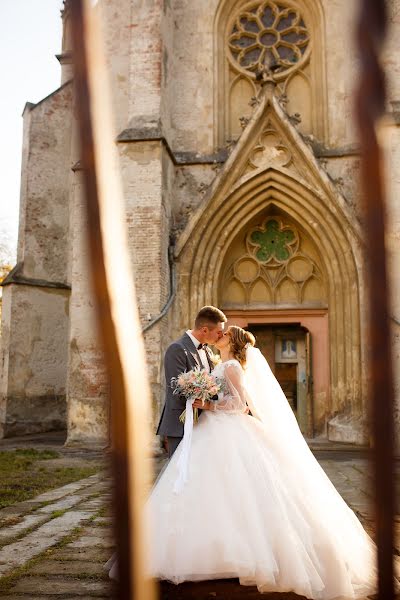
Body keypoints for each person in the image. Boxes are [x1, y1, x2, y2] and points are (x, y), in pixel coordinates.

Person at [146, 325, 377, 599]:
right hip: (215, 429)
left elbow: (239, 406)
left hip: (230, 429)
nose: (218, 336)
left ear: (233, 342)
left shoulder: (231, 366)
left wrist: (207, 405)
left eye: (224, 335)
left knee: (239, 488)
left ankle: (242, 554)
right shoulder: (222, 364)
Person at [156, 305, 227, 458]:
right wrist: (201, 398)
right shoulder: (177, 349)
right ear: (205, 330)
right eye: (219, 332)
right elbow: (176, 387)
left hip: (204, 423)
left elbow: (213, 383)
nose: (221, 336)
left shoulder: (207, 350)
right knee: (179, 473)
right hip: (181, 423)